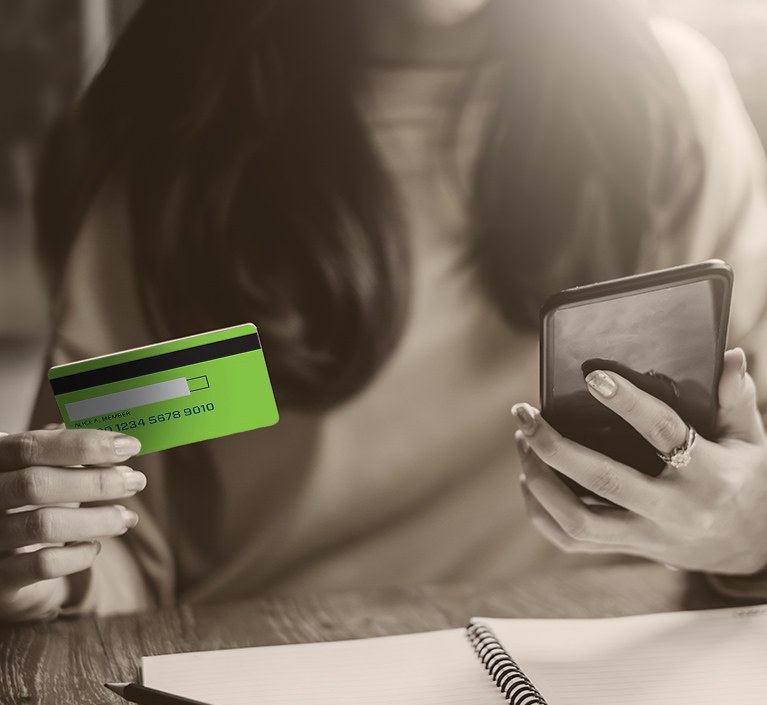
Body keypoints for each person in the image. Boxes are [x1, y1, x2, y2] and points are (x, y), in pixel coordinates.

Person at [3, 0, 767, 621]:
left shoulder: (670, 103)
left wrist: (749, 532)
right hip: (259, 675)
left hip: (606, 669)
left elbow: (748, 457)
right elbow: (117, 533)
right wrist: (53, 572)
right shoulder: (170, 140)